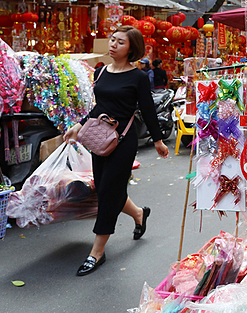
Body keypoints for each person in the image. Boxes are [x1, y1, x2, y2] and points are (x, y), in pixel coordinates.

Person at [64, 25, 169, 276]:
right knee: (104, 188)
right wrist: (78, 126)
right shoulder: (101, 72)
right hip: (100, 139)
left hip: (123, 142)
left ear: (131, 49)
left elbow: (148, 109)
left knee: (109, 193)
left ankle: (97, 252)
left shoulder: (139, 77)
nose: (113, 45)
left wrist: (158, 140)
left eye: (120, 42)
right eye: (112, 40)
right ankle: (139, 214)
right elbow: (98, 106)